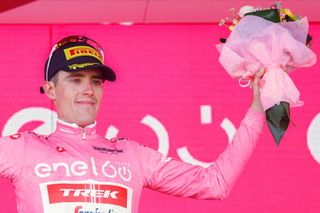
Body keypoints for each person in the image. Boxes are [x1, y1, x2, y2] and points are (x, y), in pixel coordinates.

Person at [0, 35, 265, 213]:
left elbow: (216, 183)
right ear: (50, 89)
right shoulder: (23, 149)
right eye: (76, 79)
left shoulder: (132, 155)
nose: (88, 90)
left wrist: (258, 108)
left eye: (96, 81)